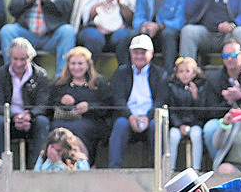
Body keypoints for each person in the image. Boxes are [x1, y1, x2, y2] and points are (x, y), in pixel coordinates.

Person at [108, 35, 168, 169]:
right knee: (120, 124)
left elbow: (161, 100)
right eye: (136, 52)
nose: (139, 56)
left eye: (143, 52)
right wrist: (130, 116)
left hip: (151, 117)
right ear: (130, 53)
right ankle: (114, 170)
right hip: (128, 116)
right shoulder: (121, 72)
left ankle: (159, 171)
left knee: (156, 125)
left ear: (151, 53)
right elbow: (118, 99)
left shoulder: (160, 74)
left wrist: (148, 117)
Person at [0, 37, 51, 163]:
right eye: (15, 59)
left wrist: (29, 115)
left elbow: (43, 103)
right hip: (8, 121)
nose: (18, 63)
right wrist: (14, 116)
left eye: (23, 59)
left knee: (43, 122)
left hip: (31, 121)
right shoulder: (0, 74)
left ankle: (37, 166)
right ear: (10, 58)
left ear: (30, 58)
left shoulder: (40, 75)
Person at [201, 38, 241, 161]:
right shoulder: (214, 79)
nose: (229, 59)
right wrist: (228, 102)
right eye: (225, 55)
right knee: (209, 128)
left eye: (234, 55)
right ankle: (219, 164)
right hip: (224, 119)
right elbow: (210, 111)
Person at [49, 46, 107, 163]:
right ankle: (58, 162)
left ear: (87, 65)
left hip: (90, 122)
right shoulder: (60, 83)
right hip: (64, 120)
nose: (76, 67)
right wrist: (62, 101)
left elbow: (106, 106)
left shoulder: (97, 83)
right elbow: (49, 105)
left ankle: (85, 163)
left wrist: (89, 107)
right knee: (58, 130)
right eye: (73, 64)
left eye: (80, 63)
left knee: (81, 129)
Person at [133, 0, 186, 66]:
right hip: (147, 33)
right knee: (130, 35)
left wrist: (159, 26)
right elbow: (137, 19)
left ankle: (169, 75)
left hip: (168, 34)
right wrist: (145, 25)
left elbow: (180, 21)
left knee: (168, 34)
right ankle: (129, 74)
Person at [167, 55, 206, 172]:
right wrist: (179, 125)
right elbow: (171, 109)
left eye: (188, 71)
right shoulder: (171, 87)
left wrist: (195, 97)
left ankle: (196, 168)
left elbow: (202, 112)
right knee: (173, 136)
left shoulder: (201, 88)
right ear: (177, 74)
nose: (184, 74)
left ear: (194, 73)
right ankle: (170, 168)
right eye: (181, 71)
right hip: (177, 125)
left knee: (196, 135)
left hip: (195, 124)